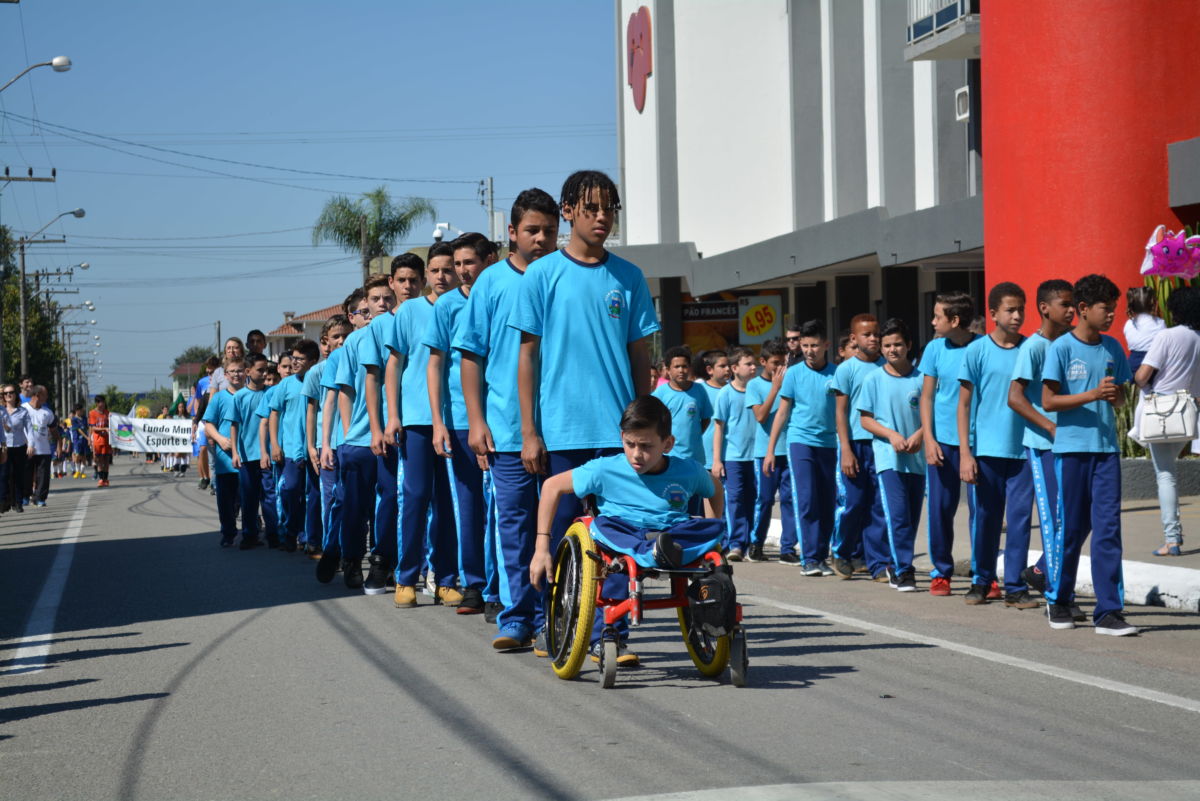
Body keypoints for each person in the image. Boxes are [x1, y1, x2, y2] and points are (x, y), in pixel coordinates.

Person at [510, 170, 659, 661]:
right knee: (562, 538)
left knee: (618, 539)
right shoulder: (542, 274)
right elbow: (526, 356)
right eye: (592, 208)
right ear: (568, 210)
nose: (602, 218)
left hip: (619, 435)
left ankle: (609, 635)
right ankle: (556, 627)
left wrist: (647, 429)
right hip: (562, 429)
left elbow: (641, 357)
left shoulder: (630, 277)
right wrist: (530, 431)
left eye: (610, 209)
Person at [529, 395, 725, 662]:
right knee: (614, 547)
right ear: (621, 436)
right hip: (621, 530)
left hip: (669, 532)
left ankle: (714, 610)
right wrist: (542, 547)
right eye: (629, 444)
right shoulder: (605, 469)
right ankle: (607, 635)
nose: (636, 454)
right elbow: (552, 486)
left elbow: (714, 489)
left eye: (646, 446)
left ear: (667, 443)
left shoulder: (687, 471)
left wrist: (710, 525)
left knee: (706, 536)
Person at [455, 187, 561, 645]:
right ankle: (519, 617)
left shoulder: (565, 277)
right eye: (532, 230)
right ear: (512, 233)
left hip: (561, 429)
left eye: (550, 231)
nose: (541, 239)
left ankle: (558, 617)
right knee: (514, 525)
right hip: (506, 430)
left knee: (559, 526)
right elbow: (471, 356)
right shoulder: (492, 283)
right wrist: (477, 422)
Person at [1042, 273, 1136, 635]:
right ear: (1083, 309)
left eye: (1114, 309)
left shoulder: (1113, 347)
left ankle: (1108, 610)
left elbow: (1122, 397)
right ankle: (1059, 598)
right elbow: (1049, 401)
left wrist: (1114, 397)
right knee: (1071, 528)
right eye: (1105, 309)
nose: (1112, 315)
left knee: (1109, 529)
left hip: (1106, 451)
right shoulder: (1061, 349)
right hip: (1071, 451)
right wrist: (1090, 396)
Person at [426, 233, 497, 614]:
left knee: (502, 507)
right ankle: (475, 583)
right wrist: (438, 422)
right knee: (468, 505)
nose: (462, 270)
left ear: (488, 260)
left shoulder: (502, 294)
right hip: (459, 421)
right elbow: (435, 364)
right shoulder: (447, 306)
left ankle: (501, 587)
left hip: (503, 417)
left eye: (469, 262)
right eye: (457, 264)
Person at [389, 245, 461, 606]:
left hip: (456, 419)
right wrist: (393, 415)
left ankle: (446, 577)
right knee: (416, 496)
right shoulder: (411, 311)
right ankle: (407, 577)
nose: (442, 276)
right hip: (417, 420)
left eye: (448, 269)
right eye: (435, 270)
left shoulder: (465, 306)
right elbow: (394, 365)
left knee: (449, 502)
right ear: (427, 275)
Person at [957, 283, 1037, 608]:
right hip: (986, 451)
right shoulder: (976, 351)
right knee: (987, 519)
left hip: (1024, 450)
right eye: (1010, 310)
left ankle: (1016, 587)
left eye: (1021, 309)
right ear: (993, 314)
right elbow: (963, 405)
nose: (1017, 316)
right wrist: (965, 453)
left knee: (1018, 520)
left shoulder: (1033, 349)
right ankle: (981, 581)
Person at [1008, 279, 1077, 613]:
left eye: (1073, 304)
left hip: (1075, 443)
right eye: (1065, 304)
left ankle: (1040, 571)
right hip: (1043, 444)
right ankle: (1057, 595)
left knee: (1074, 518)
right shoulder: (1033, 348)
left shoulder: (1072, 342)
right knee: (1052, 520)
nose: (1071, 311)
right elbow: (1015, 397)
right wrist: (1049, 426)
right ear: (1045, 308)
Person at [335, 276, 397, 588]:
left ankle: (382, 558)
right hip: (359, 439)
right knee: (356, 506)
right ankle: (351, 557)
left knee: (390, 499)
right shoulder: (354, 342)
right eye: (376, 300)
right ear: (367, 307)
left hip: (394, 435)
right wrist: (348, 433)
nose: (383, 304)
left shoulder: (402, 333)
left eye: (388, 298)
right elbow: (344, 391)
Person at [917, 291, 979, 596]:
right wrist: (929, 439)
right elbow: (926, 397)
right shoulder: (933, 349)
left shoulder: (982, 347)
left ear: (955, 320)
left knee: (981, 512)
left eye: (937, 316)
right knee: (940, 509)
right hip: (942, 442)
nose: (932, 321)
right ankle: (941, 571)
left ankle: (984, 574)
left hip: (978, 442)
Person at [858, 319, 924, 592]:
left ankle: (902, 564)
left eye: (898, 344)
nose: (892, 349)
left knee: (912, 516)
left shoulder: (922, 378)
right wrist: (892, 436)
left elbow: (933, 416)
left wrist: (920, 435)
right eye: (887, 345)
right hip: (888, 458)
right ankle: (903, 570)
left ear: (908, 345)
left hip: (918, 460)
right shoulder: (873, 379)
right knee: (897, 516)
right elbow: (865, 420)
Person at [766, 320, 837, 573]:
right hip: (800, 442)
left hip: (829, 443)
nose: (809, 350)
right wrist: (771, 449)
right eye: (805, 345)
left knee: (827, 501)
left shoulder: (836, 373)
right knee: (807, 499)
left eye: (815, 345)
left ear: (826, 345)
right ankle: (809, 559)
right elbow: (783, 413)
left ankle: (821, 555)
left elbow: (843, 412)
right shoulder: (794, 373)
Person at [1134, 286, 1200, 558]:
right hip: (1188, 412)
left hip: (1161, 412)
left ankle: (1172, 539)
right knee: (1169, 470)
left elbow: (1142, 375)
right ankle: (1172, 537)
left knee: (1165, 474)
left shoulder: (1167, 336)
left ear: (1175, 309)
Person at [316, 291, 371, 584]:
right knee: (345, 503)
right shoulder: (341, 356)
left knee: (376, 505)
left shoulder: (382, 342)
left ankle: (377, 560)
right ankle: (337, 552)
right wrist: (326, 444)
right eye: (362, 311)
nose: (369, 314)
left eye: (369, 309)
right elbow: (331, 402)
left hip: (378, 438)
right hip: (345, 441)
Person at [831, 314, 887, 580]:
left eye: (876, 334)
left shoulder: (887, 365)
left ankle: (875, 560)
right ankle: (842, 552)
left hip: (880, 443)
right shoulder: (846, 369)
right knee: (853, 502)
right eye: (867, 335)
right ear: (854, 338)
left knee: (877, 504)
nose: (873, 339)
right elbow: (840, 412)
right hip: (854, 442)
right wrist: (845, 449)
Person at [305, 315, 352, 565]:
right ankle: (331, 547)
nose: (342, 340)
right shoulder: (317, 371)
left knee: (352, 499)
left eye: (346, 334)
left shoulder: (355, 359)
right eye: (336, 337)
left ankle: (349, 550)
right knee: (331, 498)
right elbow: (312, 410)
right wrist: (312, 445)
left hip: (351, 440)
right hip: (328, 444)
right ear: (326, 341)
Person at [744, 338, 792, 562]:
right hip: (765, 452)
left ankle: (788, 548)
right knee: (764, 500)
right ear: (763, 362)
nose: (780, 368)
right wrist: (775, 388)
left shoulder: (791, 379)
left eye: (784, 363)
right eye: (775, 363)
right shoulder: (754, 385)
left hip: (790, 450)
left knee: (790, 499)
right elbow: (761, 416)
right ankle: (756, 543)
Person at [271, 339, 321, 553]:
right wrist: (275, 444)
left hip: (316, 448)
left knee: (315, 495)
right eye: (293, 358)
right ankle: (291, 532)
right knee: (291, 490)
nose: (294, 362)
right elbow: (274, 413)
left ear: (313, 361)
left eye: (300, 359)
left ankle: (311, 539)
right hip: (291, 450)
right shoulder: (286, 384)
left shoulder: (320, 378)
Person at [712, 347, 759, 561]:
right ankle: (736, 544)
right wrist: (716, 460)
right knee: (736, 500)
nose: (753, 367)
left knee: (755, 499)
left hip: (757, 456)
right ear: (734, 368)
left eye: (754, 364)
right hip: (734, 457)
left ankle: (752, 542)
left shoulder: (758, 390)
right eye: (748, 364)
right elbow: (719, 428)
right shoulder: (726, 393)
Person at [226, 353, 272, 549]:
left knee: (269, 497)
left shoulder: (271, 392)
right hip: (247, 456)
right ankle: (249, 535)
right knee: (249, 498)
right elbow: (234, 425)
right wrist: (235, 452)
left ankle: (274, 534)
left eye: (266, 370)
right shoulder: (239, 397)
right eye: (260, 370)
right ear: (248, 371)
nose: (264, 374)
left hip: (268, 454)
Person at [651, 345, 713, 480]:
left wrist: (694, 435)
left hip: (695, 458)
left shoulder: (699, 390)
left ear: (690, 368)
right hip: (669, 457)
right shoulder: (660, 394)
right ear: (667, 370)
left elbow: (706, 418)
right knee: (674, 497)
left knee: (695, 498)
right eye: (677, 367)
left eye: (684, 366)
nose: (681, 370)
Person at [203, 355, 246, 547]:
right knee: (225, 501)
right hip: (224, 459)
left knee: (247, 498)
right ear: (226, 374)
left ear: (246, 372)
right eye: (232, 371)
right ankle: (228, 532)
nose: (236, 374)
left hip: (247, 457)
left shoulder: (251, 394)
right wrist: (220, 440)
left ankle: (249, 531)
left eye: (240, 370)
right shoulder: (219, 398)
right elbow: (208, 425)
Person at [692, 348, 729, 484]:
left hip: (730, 454)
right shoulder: (699, 391)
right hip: (706, 454)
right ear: (709, 370)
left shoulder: (734, 389)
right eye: (722, 366)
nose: (727, 369)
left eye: (729, 366)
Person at [24, 387, 57, 506]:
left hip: (44, 449)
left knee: (43, 476)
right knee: (26, 474)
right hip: (26, 448)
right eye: (45, 395)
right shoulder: (23, 409)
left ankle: (40, 498)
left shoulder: (47, 412)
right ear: (37, 395)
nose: (46, 397)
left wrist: (58, 442)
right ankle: (25, 496)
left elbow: (53, 429)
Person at [1123, 286, 1165, 373]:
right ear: (1152, 303)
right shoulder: (1160, 323)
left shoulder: (1129, 324)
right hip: (1154, 362)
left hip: (1133, 362)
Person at [4, 385, 32, 510]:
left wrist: (31, 445)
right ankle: (7, 501)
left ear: (15, 395)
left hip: (19, 446)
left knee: (18, 474)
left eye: (11, 392)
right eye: (6, 393)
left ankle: (19, 501)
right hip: (4, 448)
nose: (8, 395)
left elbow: (29, 430)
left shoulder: (23, 412)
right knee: (5, 474)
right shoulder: (1, 411)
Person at [89, 395, 112, 488]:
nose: (102, 405)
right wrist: (104, 428)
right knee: (99, 460)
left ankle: (106, 479)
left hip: (107, 440)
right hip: (98, 440)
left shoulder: (107, 413)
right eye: (101, 403)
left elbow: (113, 423)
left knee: (106, 460)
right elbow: (93, 427)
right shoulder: (92, 413)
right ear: (97, 403)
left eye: (103, 402)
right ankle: (101, 479)